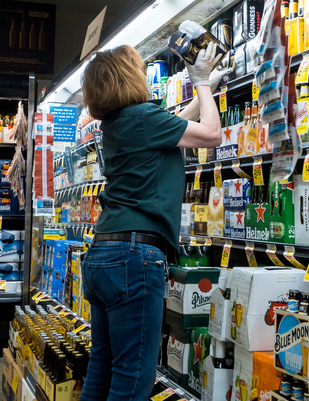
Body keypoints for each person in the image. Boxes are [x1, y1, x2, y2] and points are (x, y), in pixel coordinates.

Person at [80, 43, 229, 400]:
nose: (144, 73)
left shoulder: (122, 122)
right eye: (139, 67)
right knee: (133, 378)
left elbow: (178, 128)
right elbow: (211, 134)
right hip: (134, 256)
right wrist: (203, 83)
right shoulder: (142, 119)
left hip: (103, 254)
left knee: (102, 366)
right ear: (127, 76)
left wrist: (205, 87)